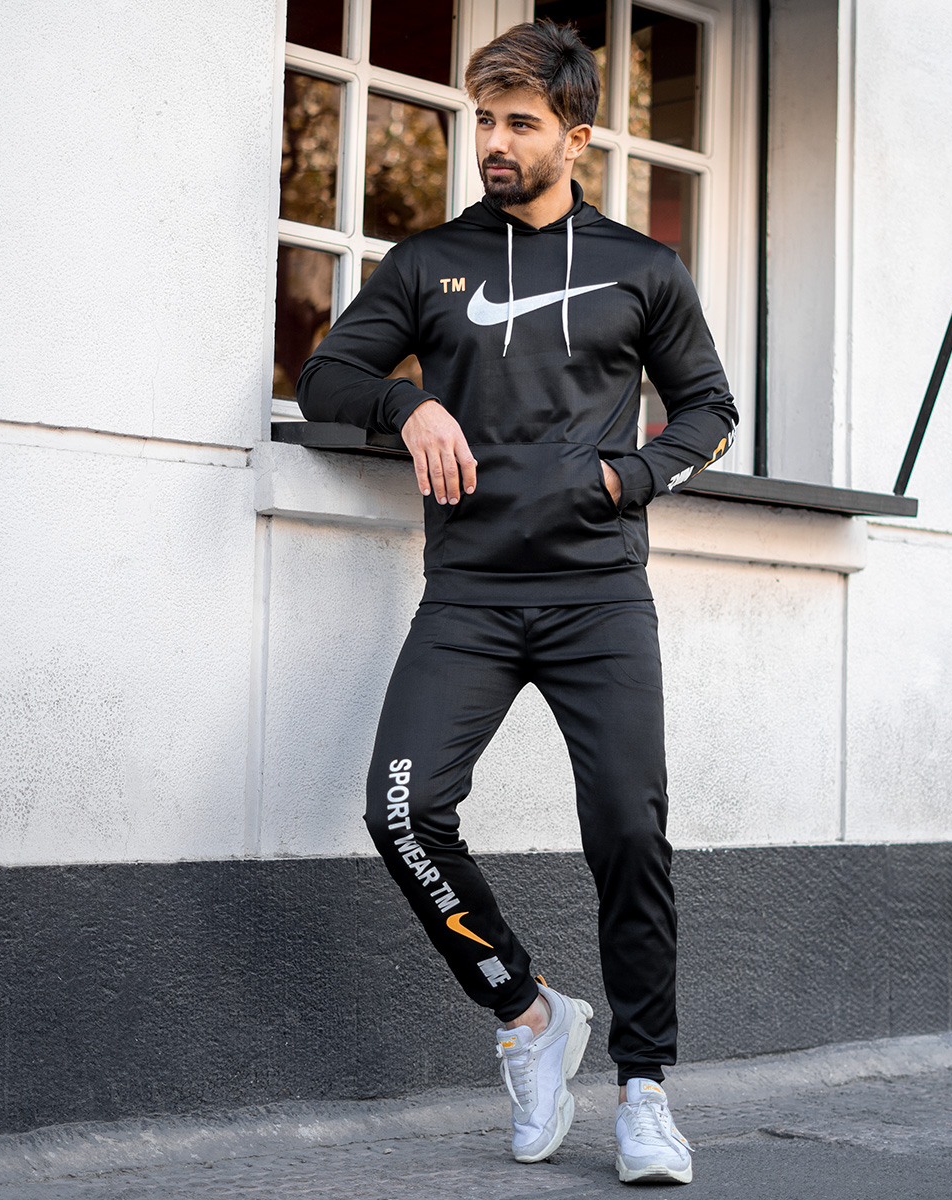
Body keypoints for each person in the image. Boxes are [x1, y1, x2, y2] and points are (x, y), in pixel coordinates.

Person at [297, 19, 737, 1186]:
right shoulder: (429, 263)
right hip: (472, 595)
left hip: (598, 596)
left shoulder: (645, 268)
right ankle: (529, 1013)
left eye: (520, 123)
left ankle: (645, 1093)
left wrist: (630, 476)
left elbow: (709, 410)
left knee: (629, 831)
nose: (494, 141)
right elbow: (327, 375)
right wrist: (407, 406)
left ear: (576, 138)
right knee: (401, 812)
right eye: (483, 119)